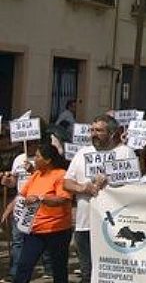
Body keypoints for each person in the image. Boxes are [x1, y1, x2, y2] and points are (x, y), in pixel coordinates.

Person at [64, 114, 137, 283]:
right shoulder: (83, 152)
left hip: (114, 225)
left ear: (111, 133)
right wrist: (83, 187)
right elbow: (67, 182)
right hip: (85, 224)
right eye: (92, 130)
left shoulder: (125, 152)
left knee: (109, 275)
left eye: (99, 130)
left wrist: (110, 181)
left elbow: (133, 186)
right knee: (87, 273)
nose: (93, 134)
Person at [12, 143, 72, 283]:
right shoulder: (36, 175)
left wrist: (41, 198)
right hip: (35, 230)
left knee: (59, 269)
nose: (34, 160)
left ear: (47, 160)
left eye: (38, 156)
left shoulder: (61, 174)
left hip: (58, 230)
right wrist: (9, 209)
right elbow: (22, 195)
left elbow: (62, 199)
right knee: (24, 266)